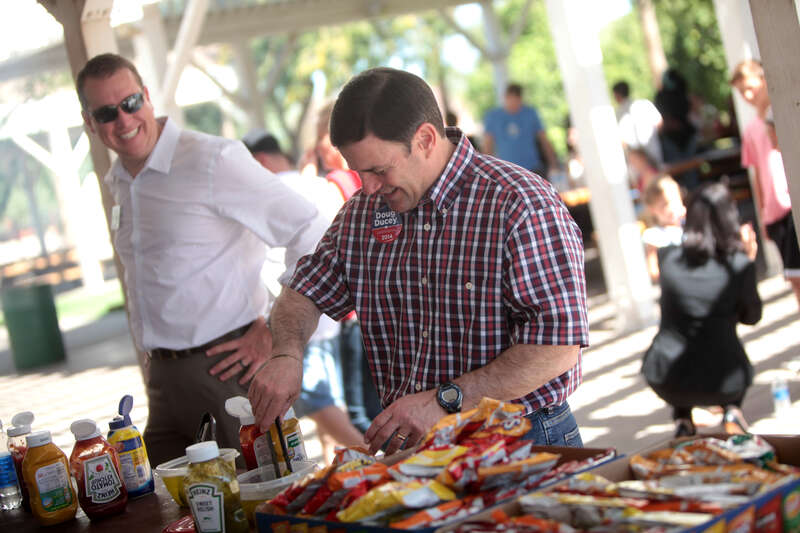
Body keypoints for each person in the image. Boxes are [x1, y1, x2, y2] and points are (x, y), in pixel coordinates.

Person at [249, 67, 588, 456]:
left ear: (426, 138)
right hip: (416, 451)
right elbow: (304, 291)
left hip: (520, 439)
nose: (369, 186)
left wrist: (446, 401)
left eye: (379, 169)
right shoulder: (363, 214)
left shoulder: (518, 202)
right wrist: (286, 353)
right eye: (359, 172)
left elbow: (558, 344)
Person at [76, 53, 330, 466]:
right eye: (106, 113)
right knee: (175, 511)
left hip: (227, 373)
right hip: (160, 380)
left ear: (147, 97)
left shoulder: (211, 159)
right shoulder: (121, 180)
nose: (123, 120)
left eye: (130, 103)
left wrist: (273, 327)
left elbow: (312, 229)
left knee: (266, 502)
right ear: (89, 122)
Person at [244, 132, 365, 461]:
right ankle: (338, 466)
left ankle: (370, 458)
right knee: (327, 400)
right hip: (333, 315)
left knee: (317, 401)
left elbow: (257, 260)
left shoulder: (268, 193)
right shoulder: (320, 185)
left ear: (259, 162)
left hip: (297, 321)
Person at [641, 182, 761, 437]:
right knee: (719, 345)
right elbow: (752, 317)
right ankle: (732, 411)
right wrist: (747, 261)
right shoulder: (738, 265)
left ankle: (682, 418)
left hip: (666, 378)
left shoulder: (668, 259)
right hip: (728, 381)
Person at [300, 103, 383, 432]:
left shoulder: (335, 182)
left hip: (349, 311)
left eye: (323, 140)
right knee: (372, 400)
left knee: (357, 407)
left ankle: (373, 465)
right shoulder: (370, 178)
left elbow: (319, 229)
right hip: (371, 305)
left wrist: (307, 173)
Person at [730, 59, 800, 310]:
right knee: (793, 277)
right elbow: (758, 174)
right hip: (774, 210)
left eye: (750, 87)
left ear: (764, 80)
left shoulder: (784, 114)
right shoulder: (750, 130)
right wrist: (763, 215)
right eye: (741, 91)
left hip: (792, 202)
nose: (748, 95)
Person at [483, 83, 558, 178]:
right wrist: (487, 171)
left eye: (517, 100)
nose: (513, 104)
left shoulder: (530, 113)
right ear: (505, 98)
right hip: (507, 172)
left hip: (532, 168)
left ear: (521, 99)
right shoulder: (493, 117)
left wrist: (553, 162)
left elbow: (544, 139)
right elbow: (488, 146)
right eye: (511, 99)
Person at [641, 176, 686, 283]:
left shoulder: (689, 225)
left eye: (675, 200)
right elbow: (653, 271)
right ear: (652, 210)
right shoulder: (653, 235)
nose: (671, 208)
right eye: (665, 205)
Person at [612, 80, 663, 167]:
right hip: (654, 149)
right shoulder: (644, 103)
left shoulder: (618, 114)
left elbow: (621, 140)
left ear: (617, 94)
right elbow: (659, 124)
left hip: (637, 159)